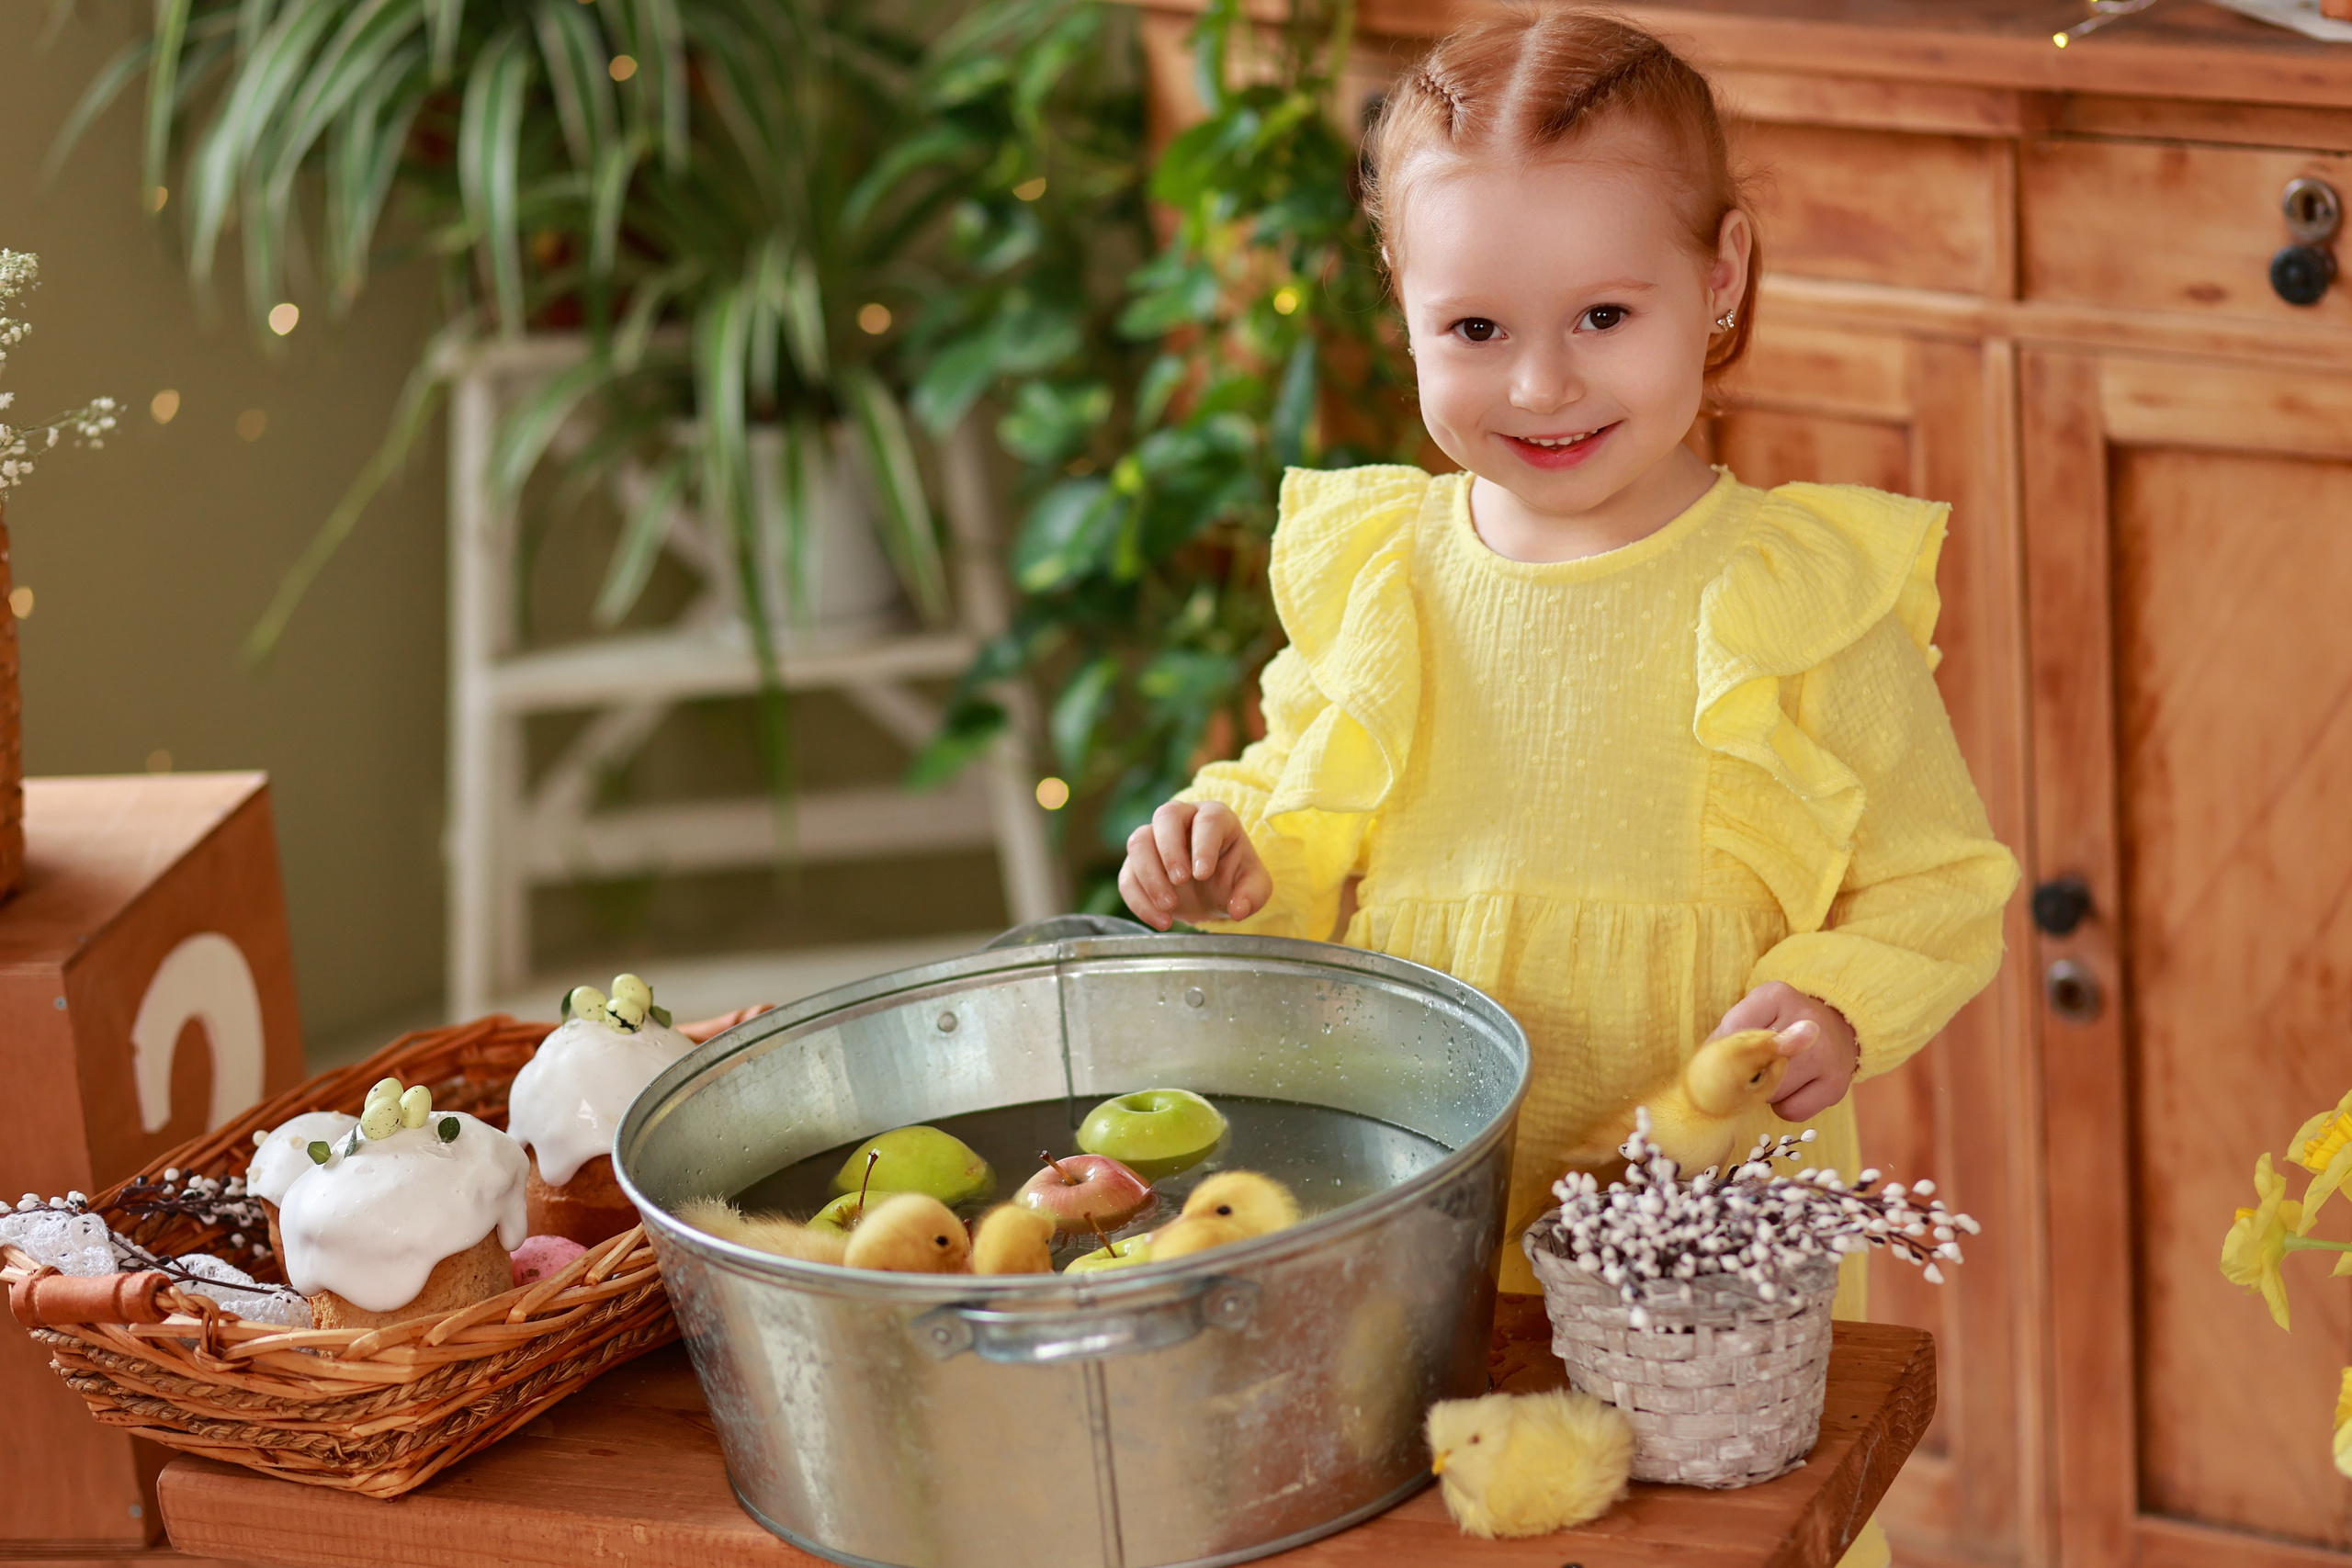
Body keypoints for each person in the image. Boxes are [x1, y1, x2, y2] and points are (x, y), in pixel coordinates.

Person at [1117, 14, 2016, 1540]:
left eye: (1603, 314)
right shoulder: (1385, 576)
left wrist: (1836, 1003)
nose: (1540, 384)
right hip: (1419, 1194)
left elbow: (1940, 882)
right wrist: (1227, 854)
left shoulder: (1792, 594)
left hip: (1703, 1210)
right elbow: (1301, 810)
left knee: (1706, 1532)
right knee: (1429, 1517)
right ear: (1401, 293)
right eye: (1475, 329)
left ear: (1719, 278)